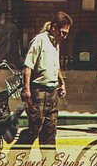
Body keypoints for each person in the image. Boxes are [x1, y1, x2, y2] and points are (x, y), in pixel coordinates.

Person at [15, 11, 72, 150]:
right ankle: (13, 158)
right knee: (35, 129)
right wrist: (27, 90)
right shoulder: (40, 40)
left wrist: (62, 83)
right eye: (62, 32)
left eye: (66, 33)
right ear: (54, 27)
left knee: (50, 132)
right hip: (38, 92)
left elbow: (56, 65)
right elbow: (28, 66)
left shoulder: (56, 43)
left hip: (52, 93)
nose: (64, 36)